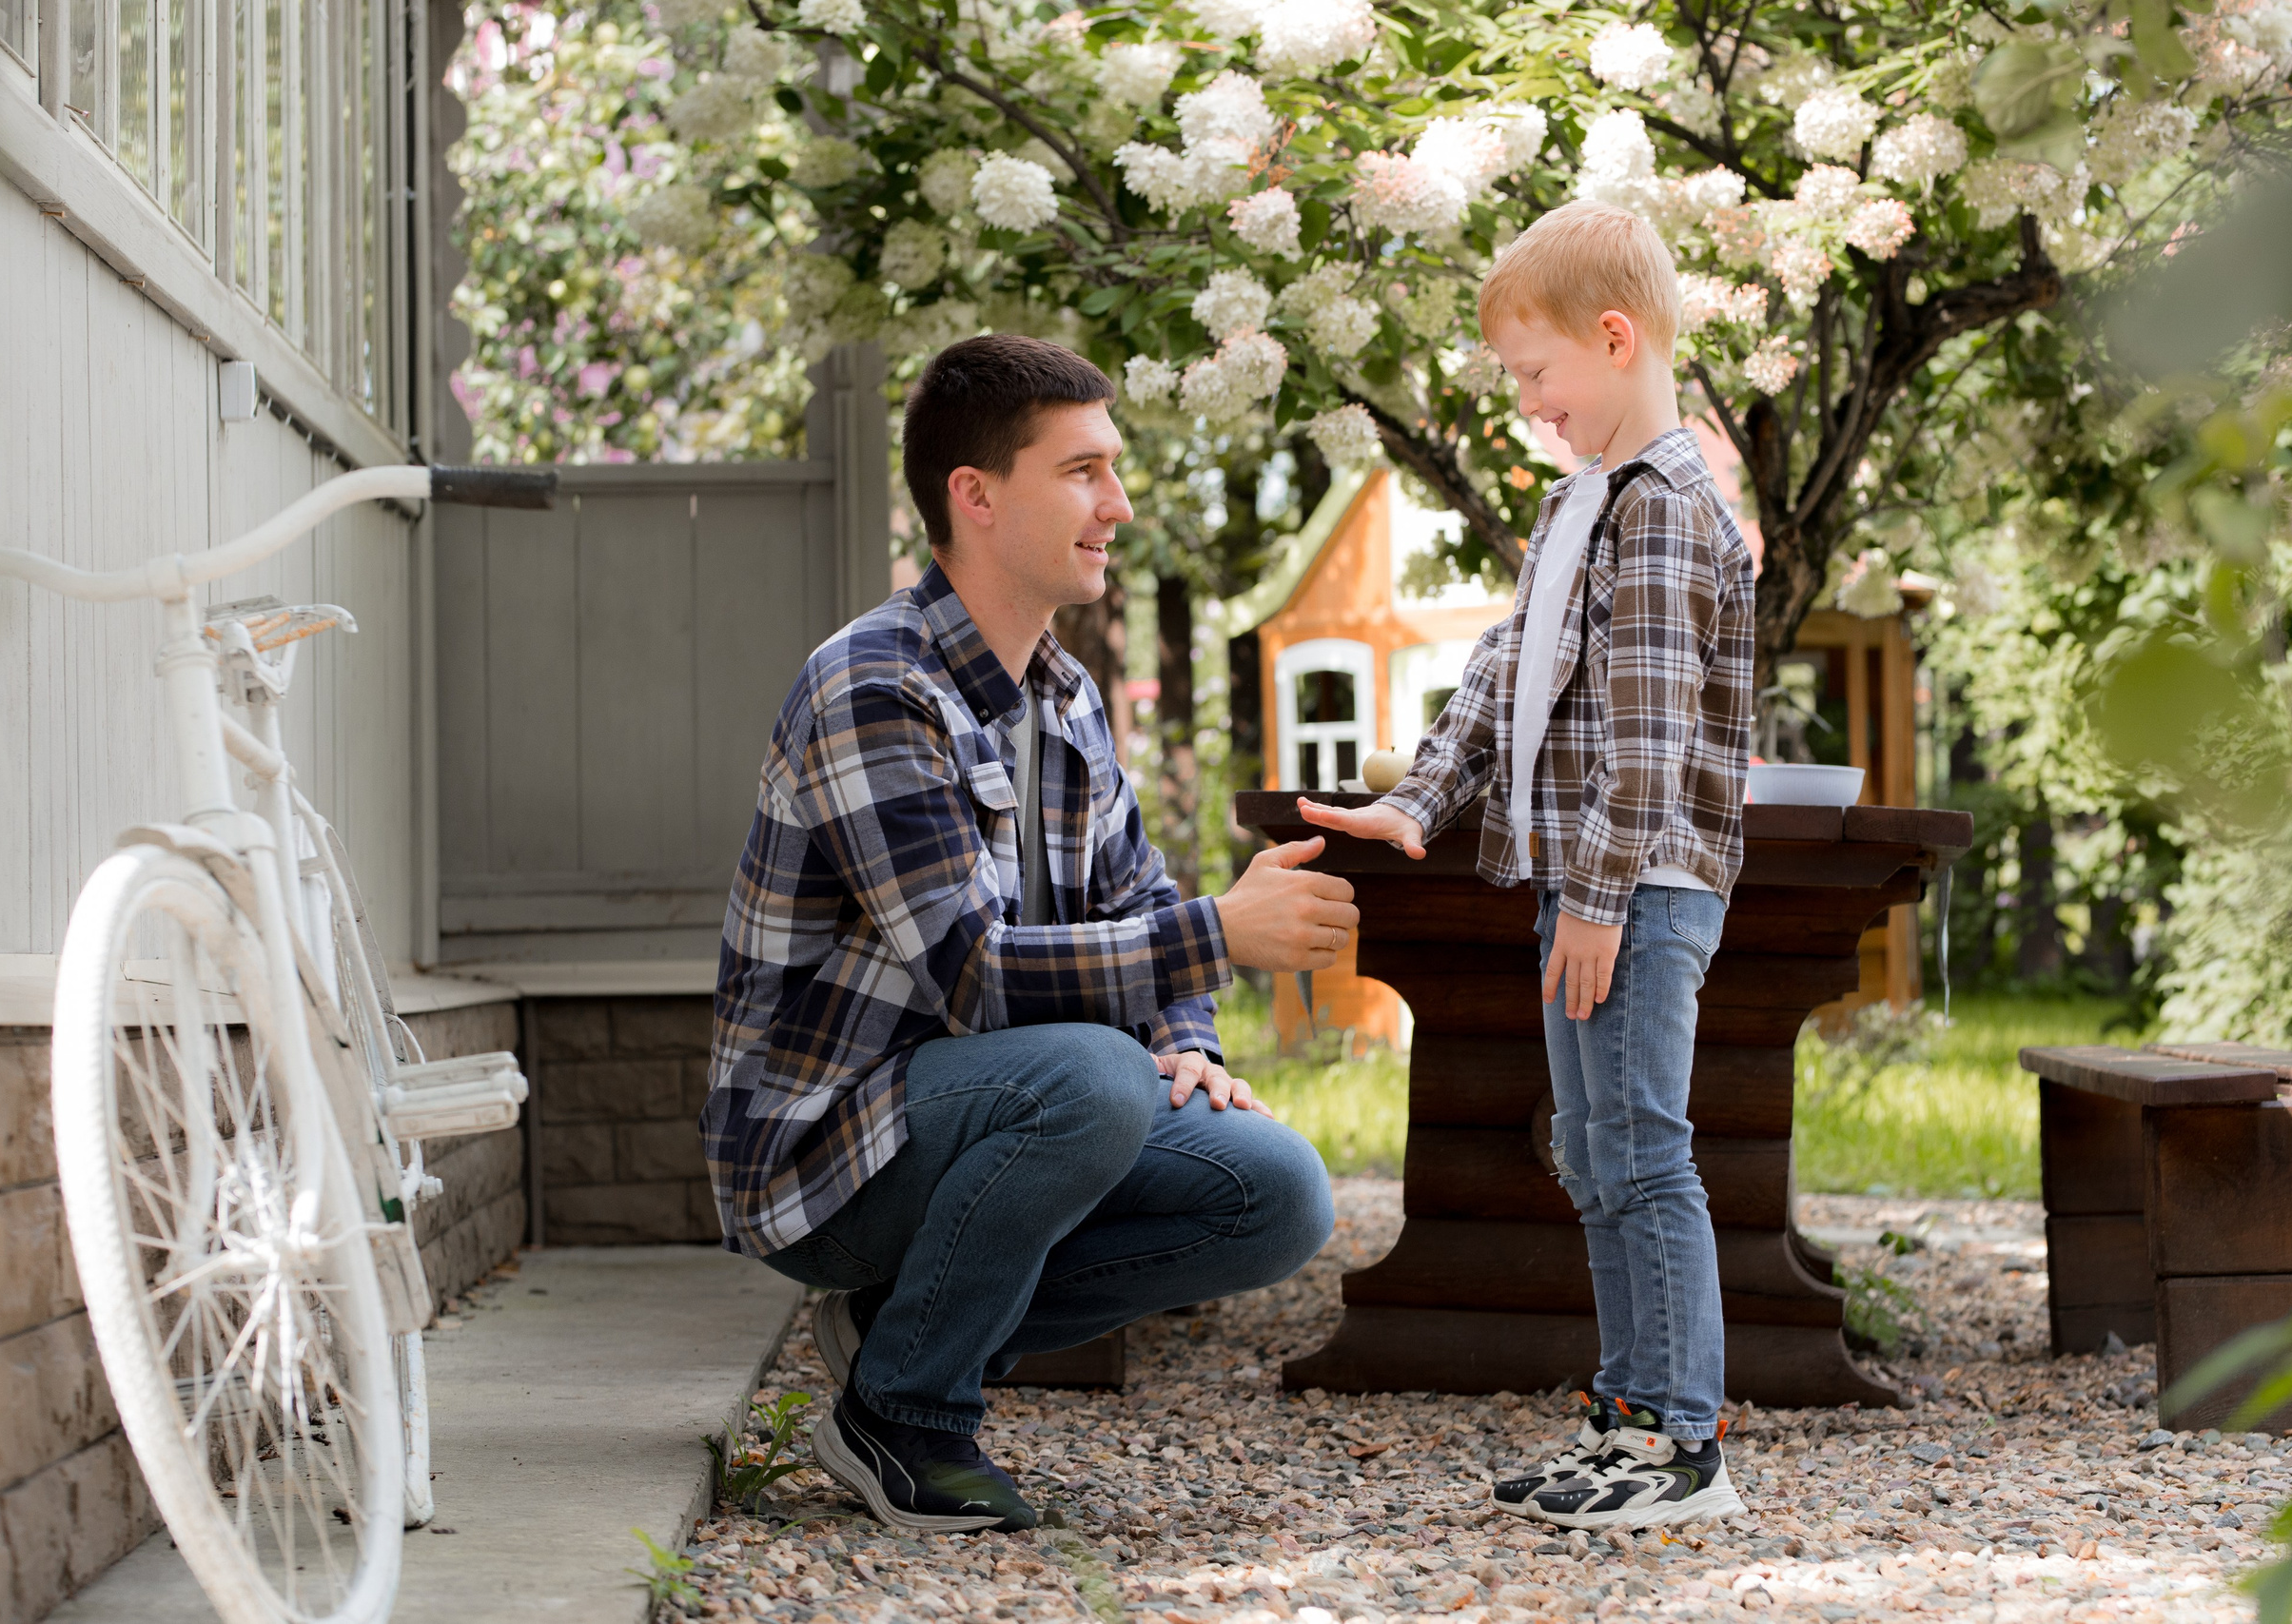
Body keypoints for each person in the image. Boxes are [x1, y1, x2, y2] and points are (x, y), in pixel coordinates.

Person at [703, 334, 1352, 1536]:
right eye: (1083, 471)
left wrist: (1189, 1033)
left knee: (1277, 1193)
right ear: (977, 496)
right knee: (1094, 1081)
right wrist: (1222, 935)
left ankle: (905, 1323)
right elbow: (975, 976)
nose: (1116, 503)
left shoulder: (1060, 695)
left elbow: (1136, 893)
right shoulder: (872, 689)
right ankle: (903, 1413)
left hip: (977, 1109)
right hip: (821, 1152)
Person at [1300, 201, 1757, 1531]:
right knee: (1595, 1147)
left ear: (1614, 340)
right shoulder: (1583, 507)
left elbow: (1652, 727)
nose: (1530, 401)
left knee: (1645, 1148)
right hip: (1592, 881)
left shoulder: (1666, 510)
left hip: (1642, 885)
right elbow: (1510, 671)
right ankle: (1626, 1417)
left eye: (1534, 372)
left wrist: (1603, 895)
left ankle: (1685, 1443)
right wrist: (1420, 803)